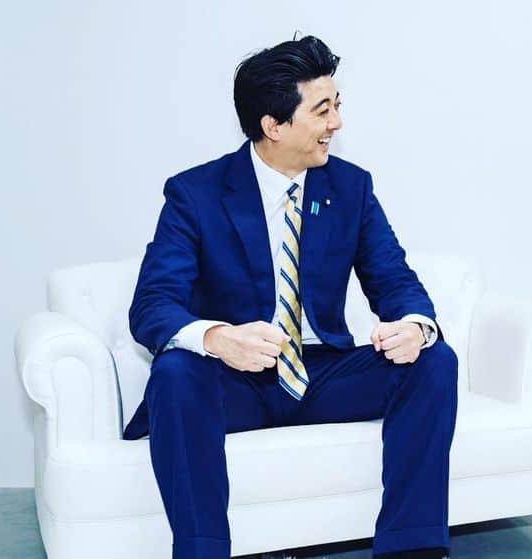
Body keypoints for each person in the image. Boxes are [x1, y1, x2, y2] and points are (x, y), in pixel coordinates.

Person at [123, 36, 457, 559]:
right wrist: (217, 338)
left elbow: (394, 279)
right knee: (175, 373)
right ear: (273, 125)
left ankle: (410, 549)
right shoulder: (196, 193)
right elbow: (153, 304)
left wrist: (413, 325)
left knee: (433, 358)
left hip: (321, 374)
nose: (336, 123)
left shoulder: (350, 188)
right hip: (237, 379)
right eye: (322, 110)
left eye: (337, 105)